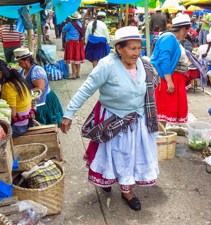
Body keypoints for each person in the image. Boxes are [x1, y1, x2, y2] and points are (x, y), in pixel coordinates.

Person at [60, 26, 159, 211]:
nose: (137, 53)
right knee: (112, 154)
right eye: (132, 48)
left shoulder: (143, 64)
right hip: (113, 119)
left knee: (131, 155)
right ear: (119, 49)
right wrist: (68, 114)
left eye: (139, 48)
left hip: (137, 120)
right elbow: (86, 89)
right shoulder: (107, 65)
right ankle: (108, 177)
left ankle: (127, 190)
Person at [150, 14, 191, 127]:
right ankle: (159, 137)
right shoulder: (168, 37)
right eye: (187, 31)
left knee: (164, 111)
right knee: (162, 111)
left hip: (171, 78)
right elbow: (164, 59)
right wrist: (169, 81)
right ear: (183, 29)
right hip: (165, 79)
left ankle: (160, 135)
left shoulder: (173, 39)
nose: (187, 34)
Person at [13, 47, 63, 126]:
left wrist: (25, 94)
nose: (19, 64)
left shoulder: (36, 71)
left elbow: (40, 89)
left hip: (43, 100)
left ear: (27, 60)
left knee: (44, 123)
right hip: (32, 98)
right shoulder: (22, 70)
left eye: (20, 62)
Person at [0, 59, 32, 137]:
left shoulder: (8, 87)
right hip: (26, 121)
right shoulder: (16, 79)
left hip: (18, 127)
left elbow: (12, 114)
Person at [62, 11, 85, 79]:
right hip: (79, 42)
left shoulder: (70, 24)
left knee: (72, 58)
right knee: (78, 58)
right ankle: (78, 73)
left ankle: (73, 74)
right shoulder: (80, 24)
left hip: (71, 42)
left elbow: (63, 30)